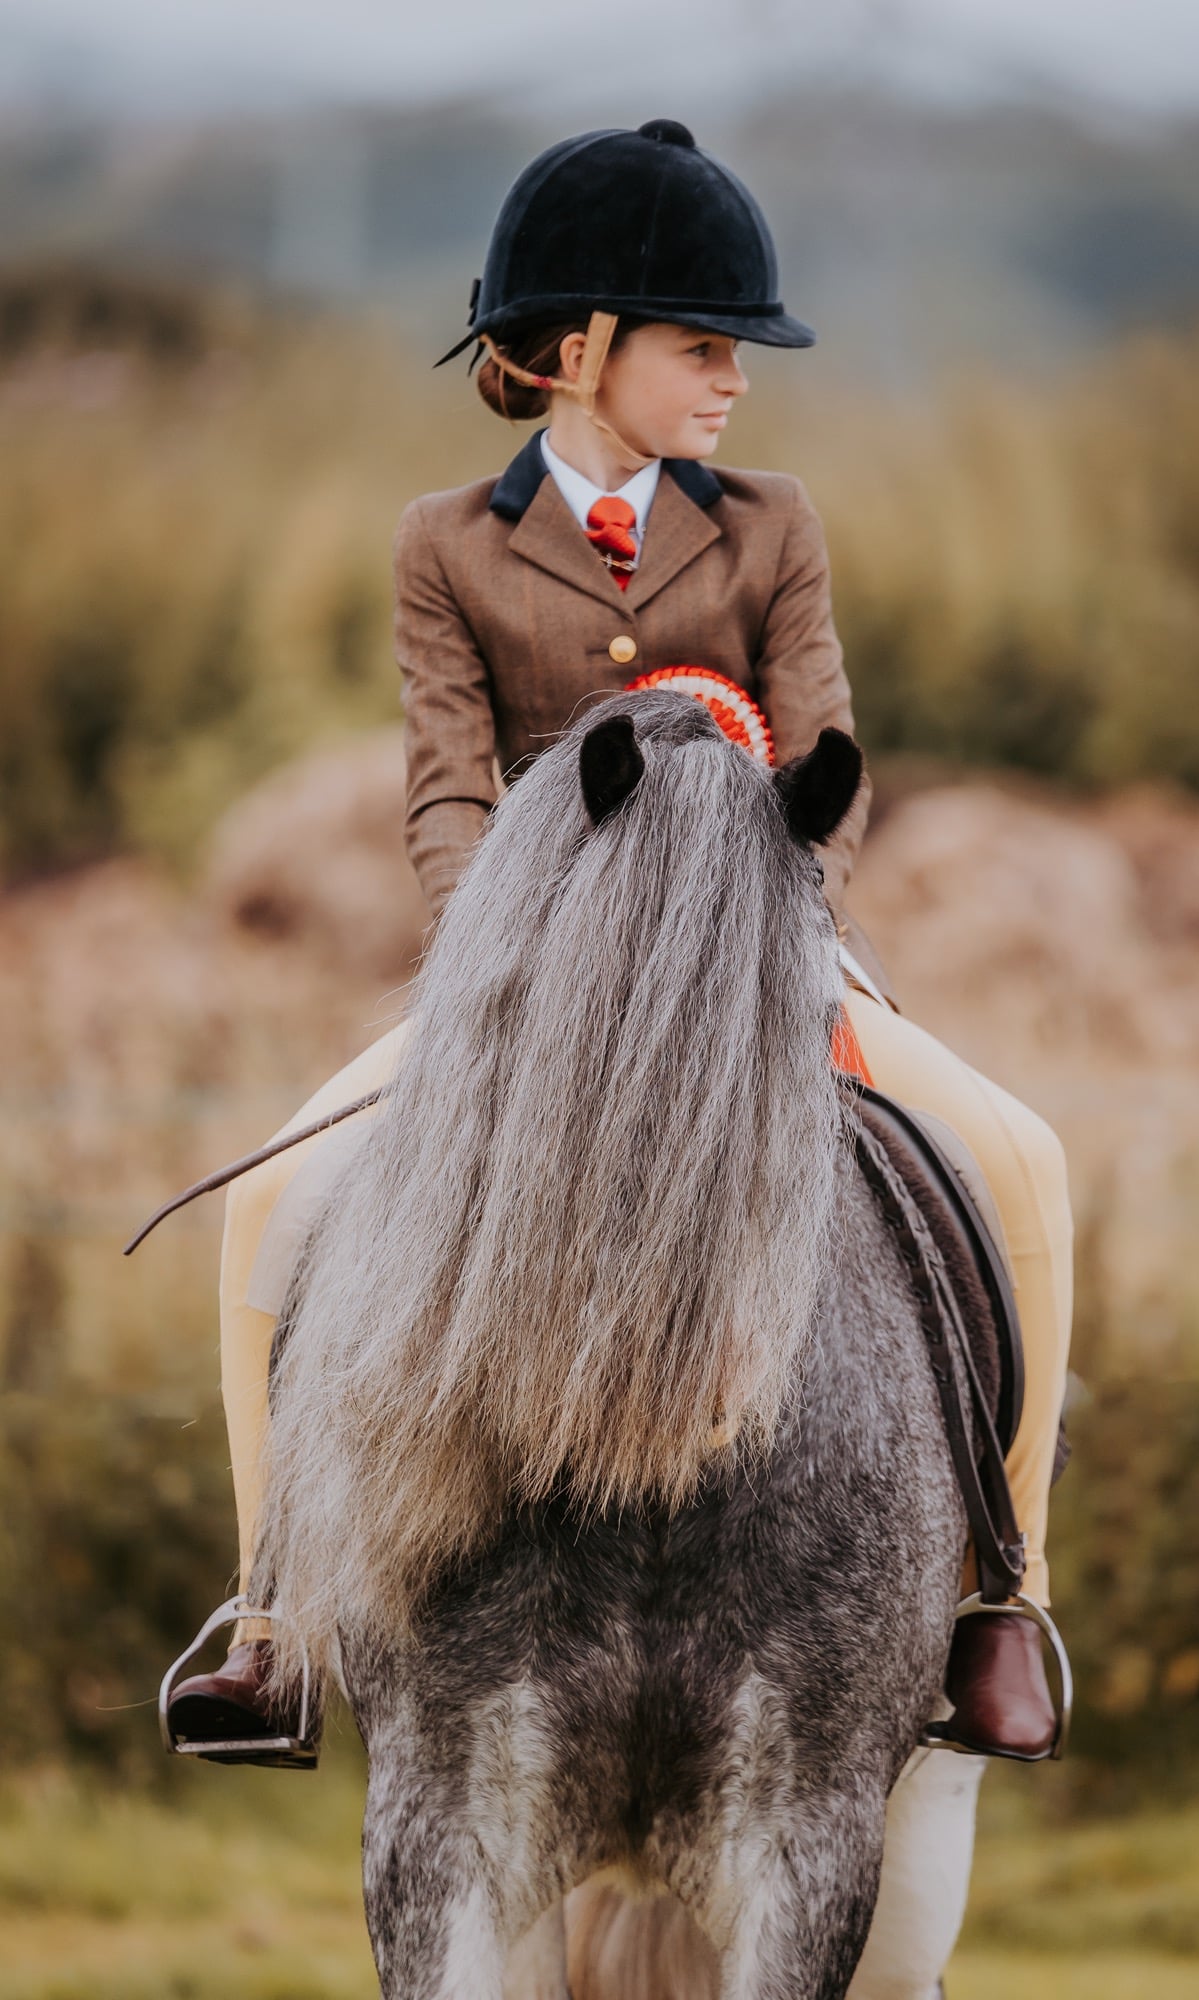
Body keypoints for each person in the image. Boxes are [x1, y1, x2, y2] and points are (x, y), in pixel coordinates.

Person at [166, 119, 1072, 1774]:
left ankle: (1000, 1595)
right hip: (519, 979)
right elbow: (447, 791)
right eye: (703, 346)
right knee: (270, 1204)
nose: (733, 380)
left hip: (762, 963)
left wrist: (763, 938)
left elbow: (830, 763)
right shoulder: (443, 543)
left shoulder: (772, 520)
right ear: (582, 351)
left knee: (1020, 1157)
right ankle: (274, 1619)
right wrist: (510, 972)